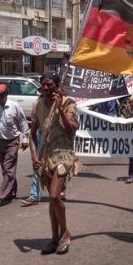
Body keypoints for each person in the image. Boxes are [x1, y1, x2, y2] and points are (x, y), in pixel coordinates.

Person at [29, 73, 79, 255]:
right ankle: (54, 238)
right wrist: (33, 155)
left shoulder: (68, 103)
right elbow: (32, 133)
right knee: (52, 200)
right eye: (43, 85)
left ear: (57, 86)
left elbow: (72, 130)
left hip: (64, 154)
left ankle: (65, 233)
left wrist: (59, 109)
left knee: (55, 196)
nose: (46, 88)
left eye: (50, 85)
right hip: (46, 155)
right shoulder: (37, 105)